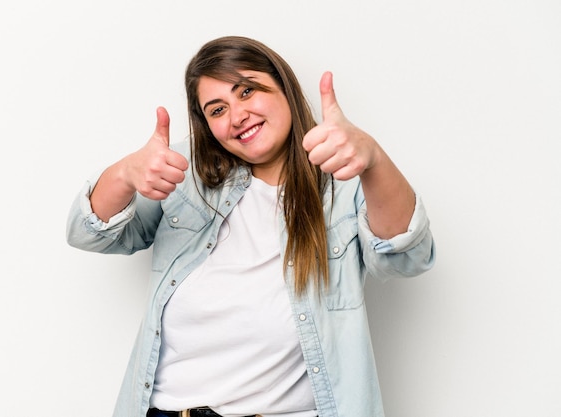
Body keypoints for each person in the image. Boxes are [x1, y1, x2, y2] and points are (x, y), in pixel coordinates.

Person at [66, 36, 435, 417]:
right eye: (217, 109)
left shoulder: (344, 178)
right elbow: (89, 232)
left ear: (284, 88)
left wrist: (373, 159)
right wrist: (124, 174)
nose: (237, 116)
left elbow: (408, 258)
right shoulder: (185, 171)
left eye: (247, 91)